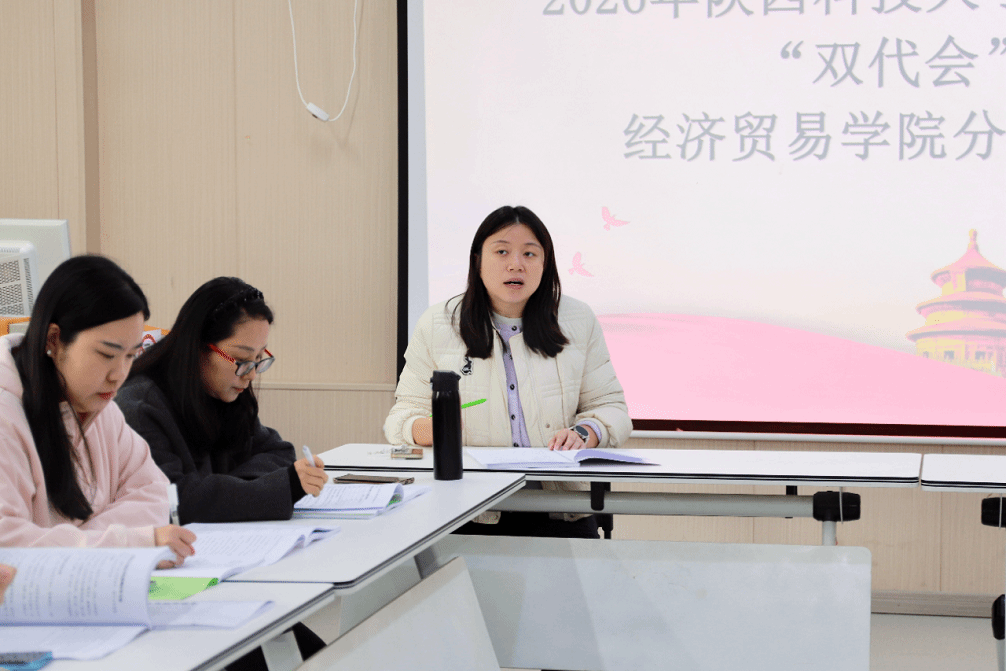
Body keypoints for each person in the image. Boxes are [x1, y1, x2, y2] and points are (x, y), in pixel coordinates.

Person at [384, 205, 632, 538]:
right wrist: (429, 429)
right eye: (502, 251)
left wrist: (585, 432)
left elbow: (611, 409)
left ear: (545, 263)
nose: (516, 264)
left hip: (560, 506)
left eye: (529, 253)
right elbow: (400, 417)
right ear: (478, 261)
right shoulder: (438, 323)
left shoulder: (577, 319)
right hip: (467, 507)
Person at [0, 255, 195, 567]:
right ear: (54, 340)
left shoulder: (102, 411)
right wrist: (124, 543)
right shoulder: (6, 417)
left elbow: (153, 494)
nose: (119, 374)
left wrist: (85, 544)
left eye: (130, 356)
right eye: (107, 354)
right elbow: (8, 545)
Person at [116, 277, 327, 525]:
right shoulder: (141, 406)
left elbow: (278, 452)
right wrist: (265, 490)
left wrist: (229, 492)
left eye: (258, 358)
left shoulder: (223, 390)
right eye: (242, 359)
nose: (251, 374)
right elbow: (171, 500)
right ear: (198, 346)